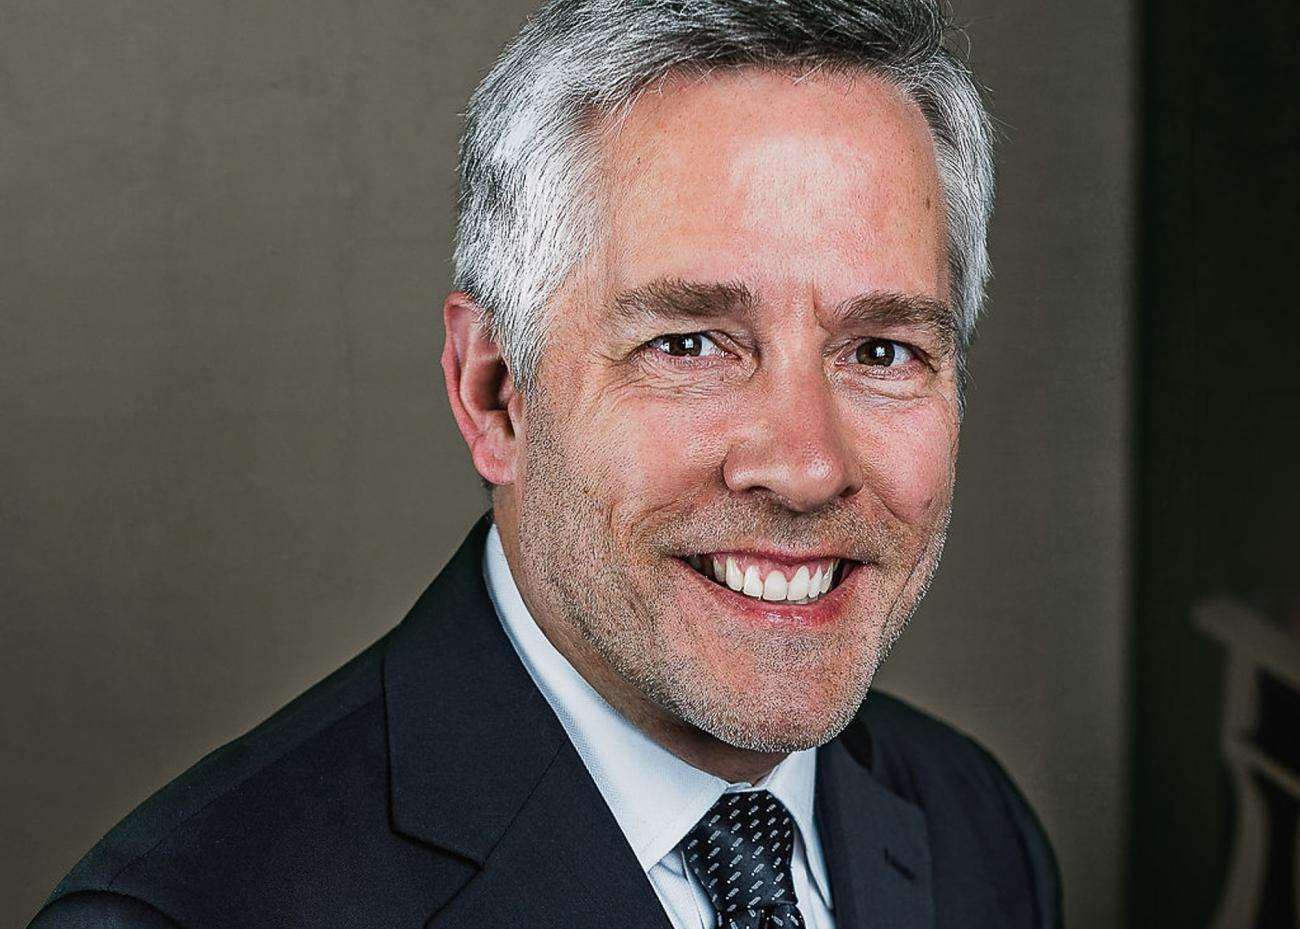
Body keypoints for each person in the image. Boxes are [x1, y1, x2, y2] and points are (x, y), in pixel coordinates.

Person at [29, 0, 1062, 926]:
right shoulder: (189, 911)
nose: (803, 466)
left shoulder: (973, 828)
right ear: (495, 393)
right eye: (688, 344)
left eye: (882, 351)